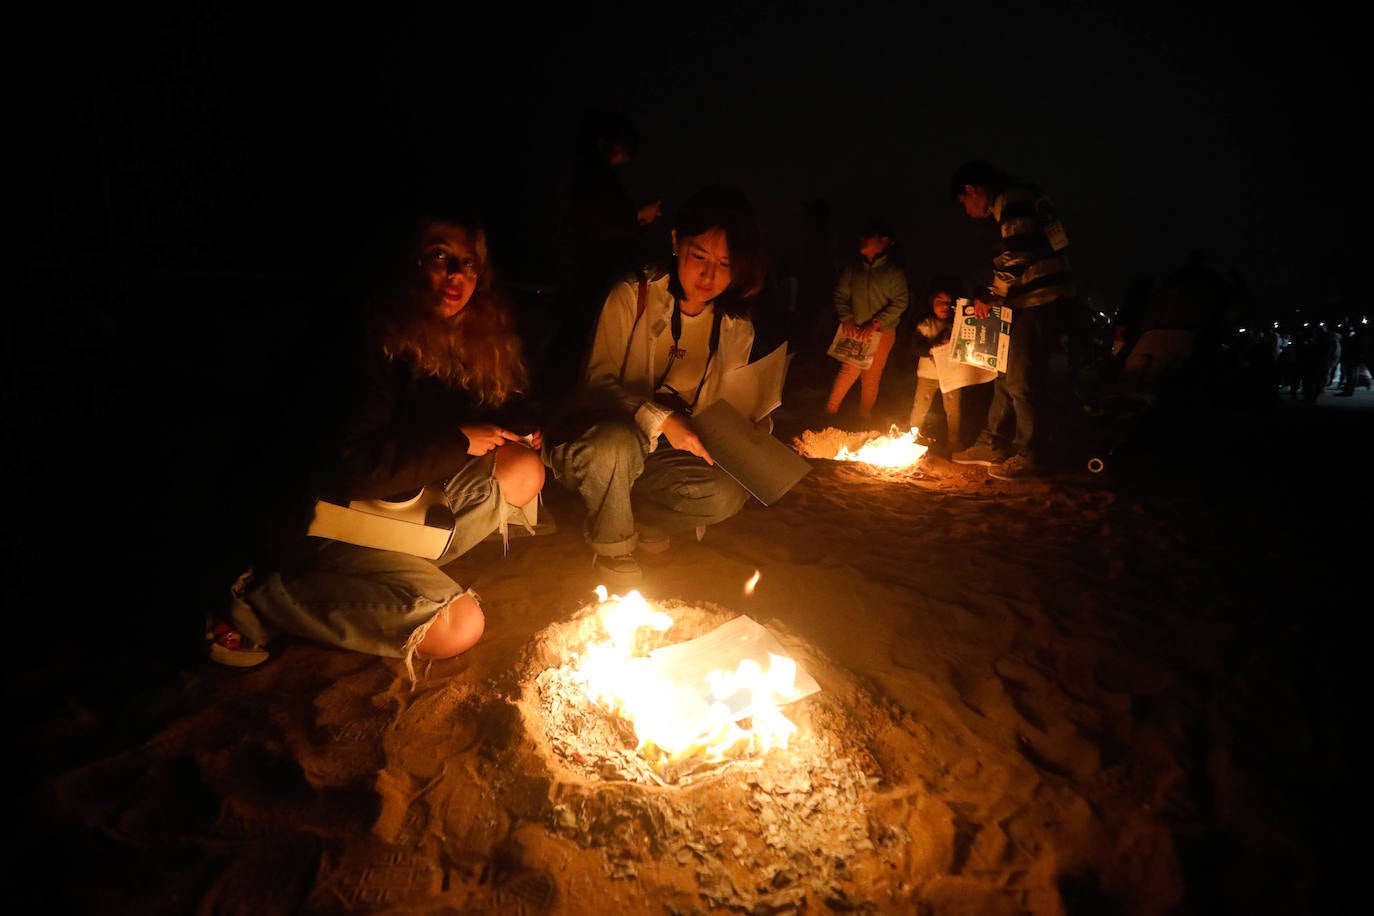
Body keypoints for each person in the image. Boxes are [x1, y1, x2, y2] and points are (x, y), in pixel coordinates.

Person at [206, 208, 547, 676]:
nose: (456, 274)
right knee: (457, 627)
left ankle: (398, 571)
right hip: (316, 524)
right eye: (440, 256)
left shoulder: (460, 338)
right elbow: (349, 465)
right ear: (409, 262)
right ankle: (257, 596)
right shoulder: (367, 339)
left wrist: (511, 429)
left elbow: (460, 412)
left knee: (523, 467)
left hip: (392, 507)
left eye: (468, 263)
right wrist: (458, 440)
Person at [543, 184, 767, 588]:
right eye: (700, 256)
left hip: (666, 451)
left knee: (727, 493)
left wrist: (752, 425)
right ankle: (613, 548)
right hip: (603, 436)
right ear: (676, 241)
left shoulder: (735, 326)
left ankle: (637, 519)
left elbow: (726, 405)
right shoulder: (634, 294)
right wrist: (661, 419)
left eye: (725, 263)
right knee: (615, 444)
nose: (709, 275)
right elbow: (596, 385)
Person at [948, 160, 1076, 479]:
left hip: (1038, 298)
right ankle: (993, 443)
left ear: (971, 190)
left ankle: (1030, 453)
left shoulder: (1011, 199)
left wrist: (995, 292)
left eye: (964, 203)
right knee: (1005, 374)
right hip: (1029, 299)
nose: (968, 212)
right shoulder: (1023, 197)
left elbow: (1019, 252)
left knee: (1020, 377)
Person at [545, 109, 664, 394]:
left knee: (577, 331)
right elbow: (599, 224)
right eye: (622, 151)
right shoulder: (593, 178)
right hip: (592, 271)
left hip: (588, 269)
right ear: (608, 143)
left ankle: (560, 389)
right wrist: (638, 218)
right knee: (579, 333)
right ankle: (562, 392)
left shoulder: (589, 175)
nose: (624, 159)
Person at [823, 220, 909, 426]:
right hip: (856, 330)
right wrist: (847, 317)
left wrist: (876, 323)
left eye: (868, 236)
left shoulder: (892, 272)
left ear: (883, 241)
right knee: (848, 371)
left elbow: (900, 302)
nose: (862, 239)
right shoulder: (853, 269)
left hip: (882, 333)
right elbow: (841, 295)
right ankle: (829, 414)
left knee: (871, 376)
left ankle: (863, 418)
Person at [907, 276, 994, 455]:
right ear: (931, 303)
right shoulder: (926, 324)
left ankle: (953, 441)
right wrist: (930, 350)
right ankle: (912, 437)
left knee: (953, 411)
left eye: (949, 302)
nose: (945, 306)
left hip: (952, 377)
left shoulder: (958, 324)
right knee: (920, 407)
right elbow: (914, 347)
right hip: (928, 375)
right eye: (940, 301)